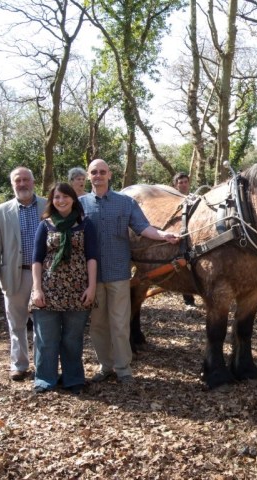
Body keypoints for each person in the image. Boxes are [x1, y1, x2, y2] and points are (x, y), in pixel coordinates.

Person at [80, 159, 180, 385]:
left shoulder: (126, 203)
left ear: (110, 175)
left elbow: (143, 228)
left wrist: (164, 235)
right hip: (92, 276)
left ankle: (123, 368)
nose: (98, 176)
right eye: (94, 172)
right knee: (97, 324)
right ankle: (105, 366)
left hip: (118, 272)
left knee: (120, 322)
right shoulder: (80, 204)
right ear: (88, 176)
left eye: (102, 172)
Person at [30, 183, 98, 395]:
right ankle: (44, 379)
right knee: (46, 339)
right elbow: (37, 259)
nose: (61, 200)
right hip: (48, 291)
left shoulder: (85, 224)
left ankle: (73, 379)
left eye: (65, 196)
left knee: (72, 339)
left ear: (73, 199)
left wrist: (92, 287)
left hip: (78, 291)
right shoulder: (46, 225)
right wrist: (37, 289)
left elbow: (92, 258)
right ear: (52, 200)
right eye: (57, 197)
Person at [0, 167, 47, 381]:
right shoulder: (0, 211)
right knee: (17, 323)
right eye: (17, 181)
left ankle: (43, 365)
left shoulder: (49, 205)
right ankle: (19, 364)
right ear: (13, 184)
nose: (22, 184)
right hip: (14, 275)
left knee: (44, 323)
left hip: (46, 276)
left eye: (26, 180)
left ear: (33, 181)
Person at [172, 172, 196, 308]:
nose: (183, 184)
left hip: (193, 235)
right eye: (180, 182)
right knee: (182, 267)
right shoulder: (171, 200)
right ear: (175, 185)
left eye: (185, 182)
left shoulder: (194, 198)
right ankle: (188, 301)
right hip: (177, 236)